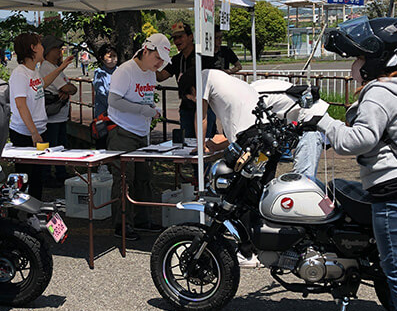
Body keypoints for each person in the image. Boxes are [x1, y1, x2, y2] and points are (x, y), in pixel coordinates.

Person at [301, 16, 397, 311]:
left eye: (357, 60)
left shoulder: (378, 94)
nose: (353, 67)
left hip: (394, 190)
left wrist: (323, 121)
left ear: (375, 61)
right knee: (392, 264)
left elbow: (359, 141)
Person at [176, 69, 322, 179]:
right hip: (266, 135)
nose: (194, 101)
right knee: (263, 180)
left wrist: (201, 146)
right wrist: (216, 146)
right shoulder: (227, 83)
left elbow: (201, 117)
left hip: (253, 139)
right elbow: (238, 128)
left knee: (241, 184)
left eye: (191, 98)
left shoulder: (204, 78)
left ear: (193, 89)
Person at [108, 33, 169, 240]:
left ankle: (143, 220)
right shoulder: (125, 71)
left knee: (144, 178)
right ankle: (121, 225)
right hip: (122, 131)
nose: (159, 64)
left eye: (162, 61)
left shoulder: (151, 73)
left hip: (142, 133)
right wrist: (142, 110)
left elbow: (146, 98)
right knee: (124, 179)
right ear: (146, 51)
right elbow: (114, 101)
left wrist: (151, 109)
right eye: (157, 58)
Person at [8, 32, 74, 199]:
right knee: (24, 177)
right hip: (25, 133)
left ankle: (33, 214)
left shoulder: (33, 72)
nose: (43, 48)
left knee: (37, 176)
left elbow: (42, 83)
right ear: (33, 48)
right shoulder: (19, 74)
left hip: (38, 130)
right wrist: (34, 133)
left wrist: (60, 68)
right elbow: (20, 105)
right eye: (40, 44)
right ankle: (15, 214)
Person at [156, 22, 217, 140]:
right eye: (174, 38)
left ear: (190, 37)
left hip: (205, 108)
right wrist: (148, 62)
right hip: (186, 109)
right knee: (187, 143)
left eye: (180, 37)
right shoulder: (176, 59)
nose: (177, 41)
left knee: (206, 141)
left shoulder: (203, 57)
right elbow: (161, 76)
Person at [40, 35, 78, 184]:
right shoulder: (48, 67)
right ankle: (50, 175)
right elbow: (67, 87)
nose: (60, 52)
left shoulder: (53, 67)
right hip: (53, 116)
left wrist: (68, 89)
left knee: (58, 144)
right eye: (56, 49)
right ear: (48, 51)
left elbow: (66, 88)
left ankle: (58, 173)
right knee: (54, 145)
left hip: (57, 114)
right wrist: (69, 89)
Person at [92, 44, 118, 120]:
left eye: (114, 56)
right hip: (104, 112)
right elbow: (101, 93)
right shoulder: (99, 73)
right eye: (110, 56)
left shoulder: (121, 71)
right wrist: (113, 106)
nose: (113, 59)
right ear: (102, 59)